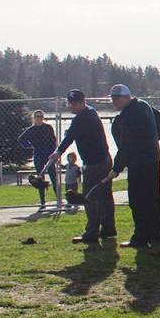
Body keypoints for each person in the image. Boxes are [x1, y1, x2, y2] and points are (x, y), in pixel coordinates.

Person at [51, 89, 116, 243]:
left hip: (95, 163)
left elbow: (69, 137)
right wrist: (59, 151)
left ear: (82, 102)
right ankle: (108, 228)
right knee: (105, 195)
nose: (71, 106)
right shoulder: (90, 113)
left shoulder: (84, 118)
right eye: (70, 103)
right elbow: (71, 136)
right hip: (103, 160)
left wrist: (58, 151)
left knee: (90, 197)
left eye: (74, 103)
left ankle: (92, 232)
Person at [107, 84, 160, 249]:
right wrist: (151, 142)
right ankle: (155, 236)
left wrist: (116, 169)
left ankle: (140, 237)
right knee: (152, 199)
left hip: (139, 163)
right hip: (153, 159)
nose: (114, 102)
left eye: (116, 99)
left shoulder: (129, 116)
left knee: (137, 200)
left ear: (126, 97)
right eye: (112, 99)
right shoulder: (144, 105)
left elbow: (126, 145)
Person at [17, 110, 59, 211]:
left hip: (49, 155)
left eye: (41, 116)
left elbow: (54, 141)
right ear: (34, 118)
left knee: (54, 177)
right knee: (40, 178)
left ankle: (58, 200)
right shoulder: (31, 130)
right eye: (37, 116)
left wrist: (54, 154)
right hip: (38, 155)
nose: (39, 118)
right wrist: (30, 146)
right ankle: (43, 202)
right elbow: (20, 139)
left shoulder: (48, 128)